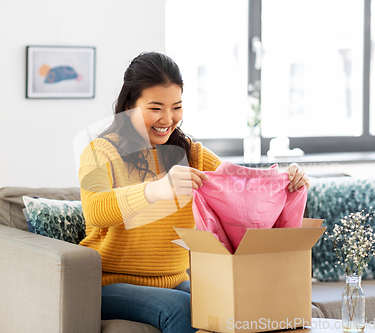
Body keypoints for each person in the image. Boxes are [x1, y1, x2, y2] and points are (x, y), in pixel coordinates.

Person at [77, 51, 310, 333]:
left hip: (176, 278)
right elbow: (95, 209)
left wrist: (285, 178)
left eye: (176, 106)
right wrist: (156, 189)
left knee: (236, 302)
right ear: (129, 105)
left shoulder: (192, 154)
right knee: (182, 308)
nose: (168, 118)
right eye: (155, 108)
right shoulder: (99, 150)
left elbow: (242, 184)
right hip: (107, 283)